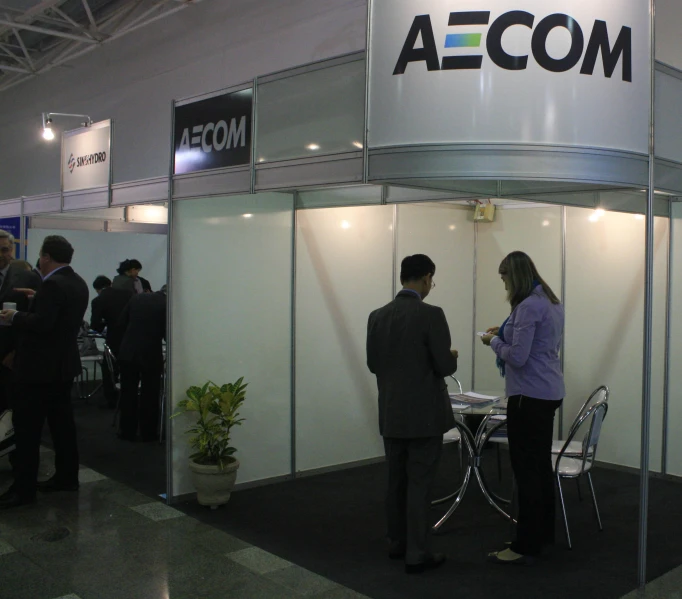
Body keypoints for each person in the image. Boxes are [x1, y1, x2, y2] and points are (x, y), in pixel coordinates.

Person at [367, 254, 458, 574]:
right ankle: (417, 553)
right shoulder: (431, 314)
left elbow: (373, 365)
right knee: (420, 484)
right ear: (426, 278)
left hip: (391, 413)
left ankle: (397, 542)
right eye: (432, 280)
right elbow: (443, 366)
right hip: (425, 417)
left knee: (396, 481)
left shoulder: (377, 316)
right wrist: (452, 356)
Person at [481, 251, 564, 566]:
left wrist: (493, 343)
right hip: (547, 391)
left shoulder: (528, 306)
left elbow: (518, 357)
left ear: (513, 277)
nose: (503, 286)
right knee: (541, 469)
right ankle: (542, 534)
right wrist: (503, 334)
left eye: (504, 279)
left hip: (528, 397)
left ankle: (525, 543)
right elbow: (536, 344)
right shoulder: (551, 303)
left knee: (527, 470)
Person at [0, 235, 89, 509]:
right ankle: (66, 478)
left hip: (38, 371)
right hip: (63, 368)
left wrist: (13, 316)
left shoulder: (52, 283)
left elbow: (43, 324)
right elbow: (61, 318)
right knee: (63, 427)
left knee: (28, 430)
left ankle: (23, 490)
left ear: (46, 256)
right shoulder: (77, 282)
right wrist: (39, 298)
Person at [116, 285, 166, 442]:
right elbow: (168, 334)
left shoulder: (137, 298)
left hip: (128, 351)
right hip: (151, 353)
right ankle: (148, 433)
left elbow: (121, 323)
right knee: (150, 394)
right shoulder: (168, 305)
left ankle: (127, 431)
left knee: (128, 393)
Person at [0, 231, 42, 414]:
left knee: (11, 407)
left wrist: (18, 350)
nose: (0, 255)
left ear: (12, 250)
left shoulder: (28, 278)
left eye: (4, 250)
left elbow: (36, 319)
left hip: (12, 354)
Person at [90, 275, 133, 408]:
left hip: (114, 339)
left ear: (97, 289)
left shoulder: (99, 300)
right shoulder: (128, 294)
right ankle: (130, 395)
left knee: (109, 369)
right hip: (132, 337)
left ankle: (112, 399)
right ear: (110, 283)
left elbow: (96, 324)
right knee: (129, 369)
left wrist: (104, 324)